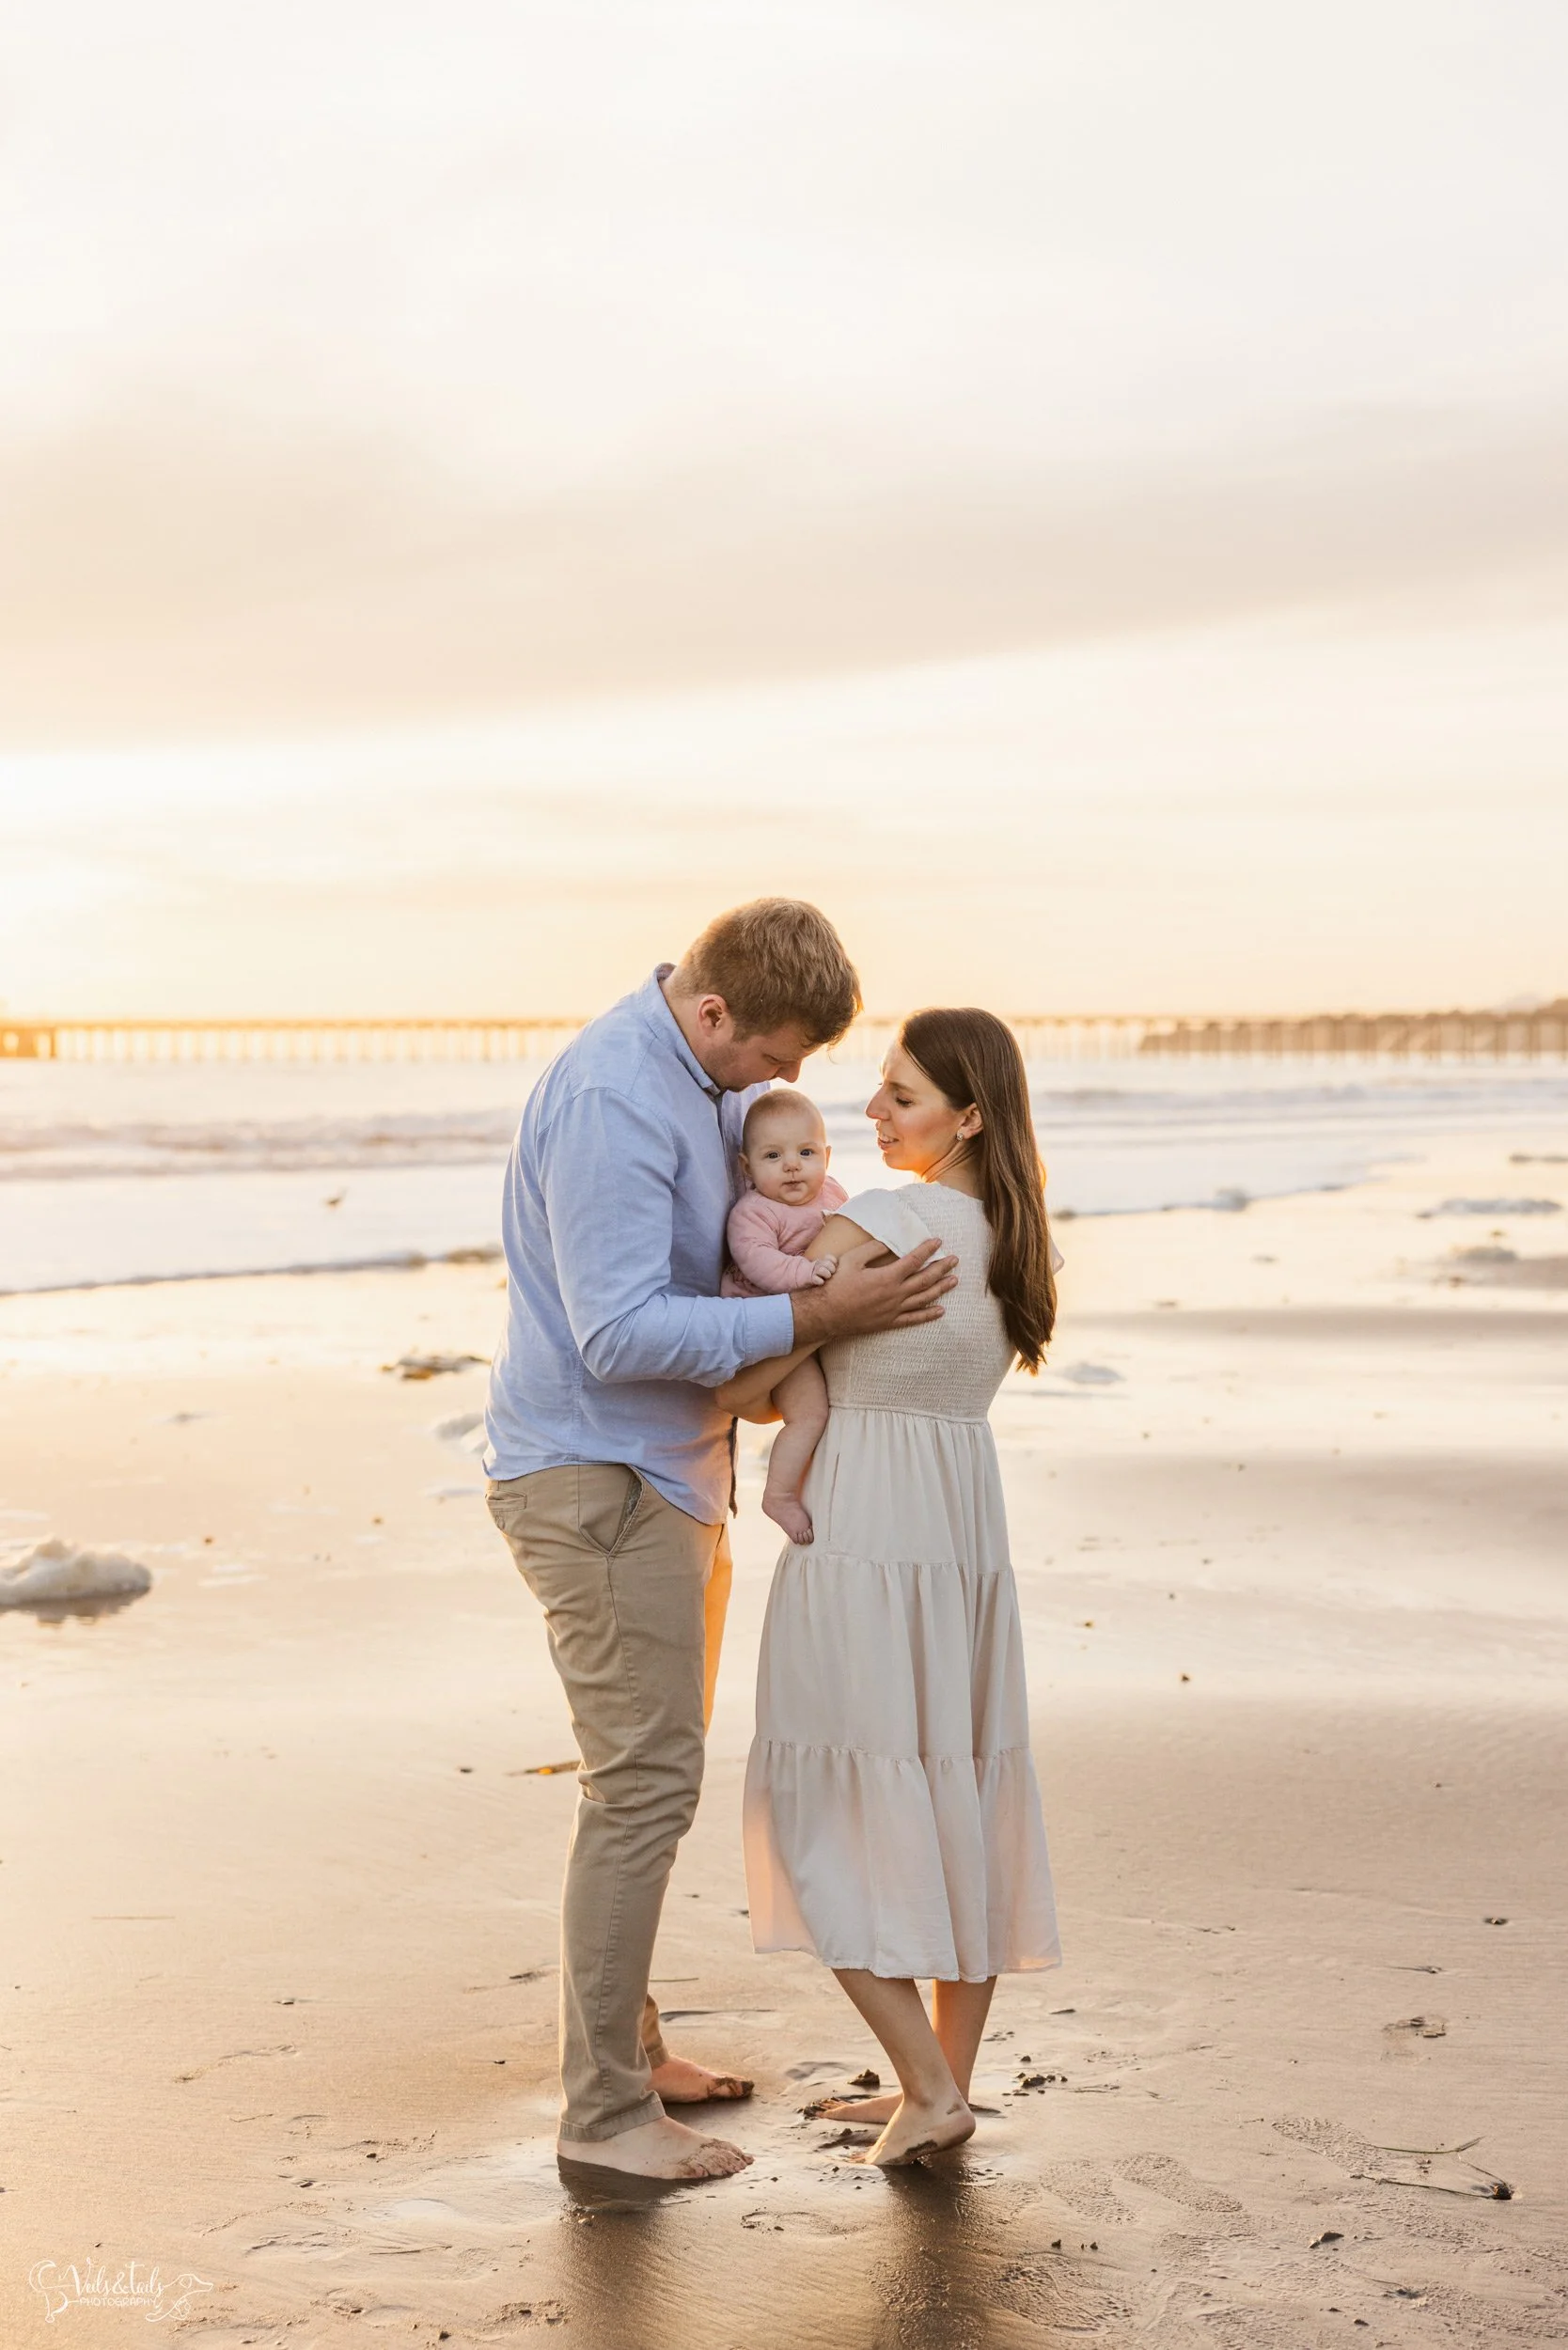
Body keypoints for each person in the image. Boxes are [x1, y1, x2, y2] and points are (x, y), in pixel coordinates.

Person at [482, 901, 958, 2183]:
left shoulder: (693, 1079)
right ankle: (604, 2119)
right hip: (598, 1480)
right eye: (781, 1056)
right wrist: (821, 1307)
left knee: (650, 1781)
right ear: (712, 1016)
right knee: (641, 1789)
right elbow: (620, 1335)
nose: (790, 1087)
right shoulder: (616, 1102)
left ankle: (627, 2062)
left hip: (668, 1475)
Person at [721, 1007, 1063, 2168]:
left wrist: (763, 1363)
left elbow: (754, 1377)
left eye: (902, 1094)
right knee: (953, 1789)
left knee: (825, 1808)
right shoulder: (1017, 1239)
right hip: (960, 1528)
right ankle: (944, 2081)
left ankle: (926, 2085)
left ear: (968, 1116)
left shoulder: (877, 1223)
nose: (870, 1111)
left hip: (863, 1523)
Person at [719, 1089, 847, 1544]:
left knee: (832, 1409)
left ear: (826, 1157)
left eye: (806, 1152)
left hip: (804, 1322)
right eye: (774, 1155)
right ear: (747, 1167)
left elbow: (851, 1228)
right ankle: (779, 1495)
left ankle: (822, 1484)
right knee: (809, 1414)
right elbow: (760, 1265)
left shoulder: (830, 1193)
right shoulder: (753, 1213)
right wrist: (808, 1272)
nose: (793, 1165)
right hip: (763, 1333)